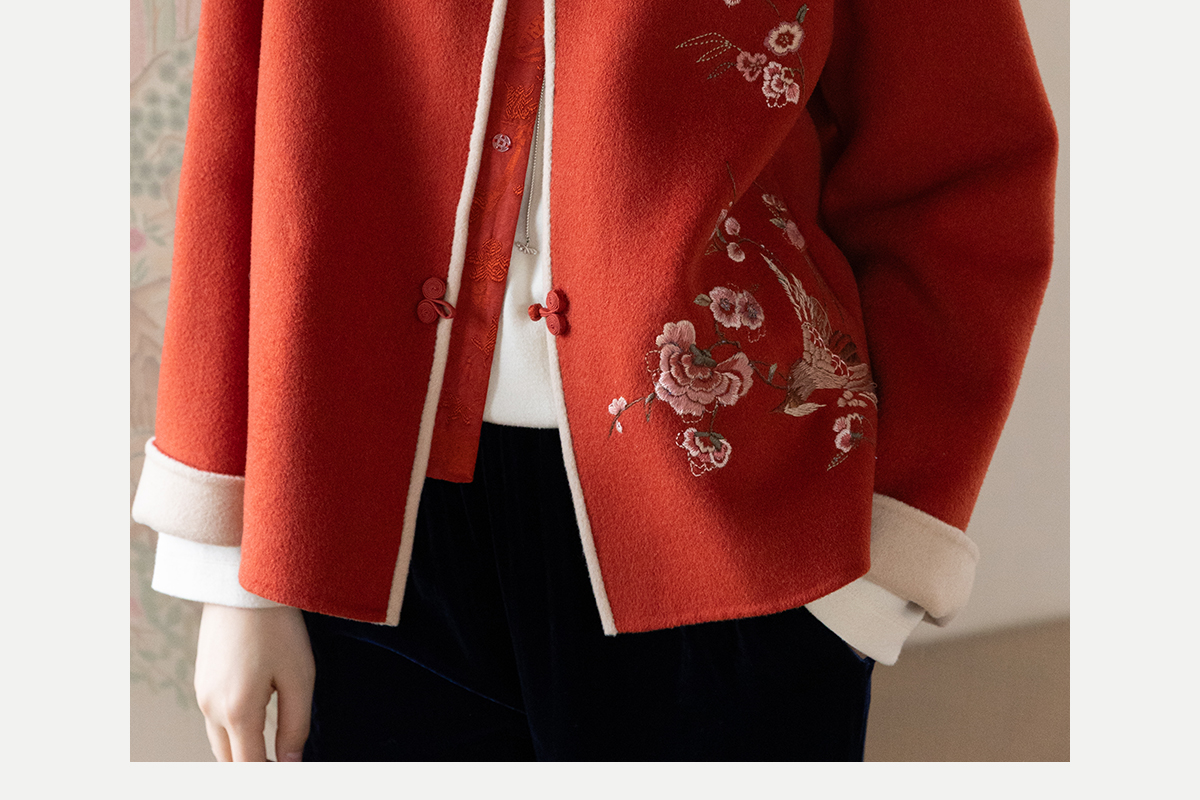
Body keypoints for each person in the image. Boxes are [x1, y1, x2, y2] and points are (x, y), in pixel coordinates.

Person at [132, 0, 1058, 761]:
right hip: (365, 531)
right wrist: (233, 573)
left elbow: (966, 171)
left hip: (734, 537)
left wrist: (875, 569)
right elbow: (241, 139)